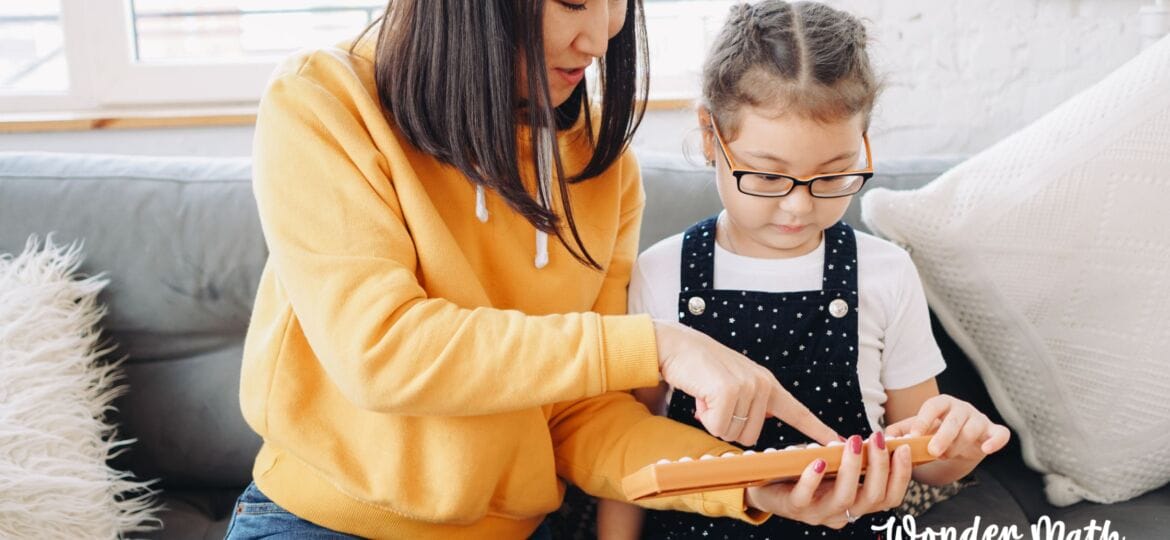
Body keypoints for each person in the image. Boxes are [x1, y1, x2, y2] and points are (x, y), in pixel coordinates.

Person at [224, 1, 869, 538]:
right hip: (320, 523)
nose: (603, 33)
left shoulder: (602, 164)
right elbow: (382, 351)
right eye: (573, 2)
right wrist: (657, 345)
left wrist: (750, 479)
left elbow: (578, 418)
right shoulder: (325, 100)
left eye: (616, 1)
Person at [596, 1, 1012, 538]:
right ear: (709, 137)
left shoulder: (885, 272)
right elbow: (631, 449)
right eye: (768, 177)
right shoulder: (662, 270)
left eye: (833, 174)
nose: (797, 207)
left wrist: (956, 444)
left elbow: (927, 458)